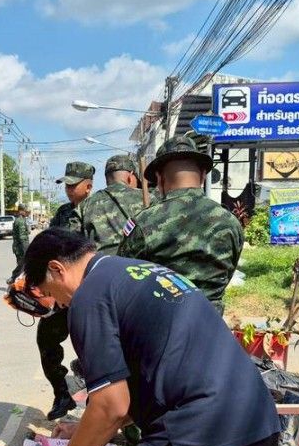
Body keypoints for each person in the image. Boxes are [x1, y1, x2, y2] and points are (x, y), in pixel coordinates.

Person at [22, 228, 280, 446]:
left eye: (52, 294)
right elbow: (143, 383)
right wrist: (82, 432)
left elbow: (111, 405)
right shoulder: (136, 271)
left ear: (57, 269)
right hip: (257, 427)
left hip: (196, 434)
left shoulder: (89, 297)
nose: (61, 305)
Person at [119, 135, 244, 314]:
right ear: (202, 176)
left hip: (160, 327)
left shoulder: (143, 222)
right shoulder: (230, 222)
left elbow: (125, 278)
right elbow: (228, 273)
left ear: (159, 178)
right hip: (212, 329)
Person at [40, 161, 94, 421]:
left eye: (74, 185)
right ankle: (62, 394)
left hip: (89, 296)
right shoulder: (62, 214)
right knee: (46, 340)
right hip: (61, 297)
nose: (69, 190)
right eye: (67, 185)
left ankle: (98, 402)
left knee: (92, 349)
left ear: (89, 185)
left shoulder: (98, 212)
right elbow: (50, 246)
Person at [78, 154, 145, 255]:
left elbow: (76, 242)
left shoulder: (85, 204)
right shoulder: (146, 198)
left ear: (106, 179)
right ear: (130, 177)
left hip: (100, 266)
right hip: (138, 266)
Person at [8, 204, 31, 283]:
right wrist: (26, 249)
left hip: (19, 247)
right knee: (22, 264)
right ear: (21, 211)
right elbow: (22, 237)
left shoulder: (21, 220)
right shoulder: (20, 221)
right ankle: (14, 278)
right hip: (20, 247)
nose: (27, 213)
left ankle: (16, 279)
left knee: (22, 265)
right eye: (25, 211)